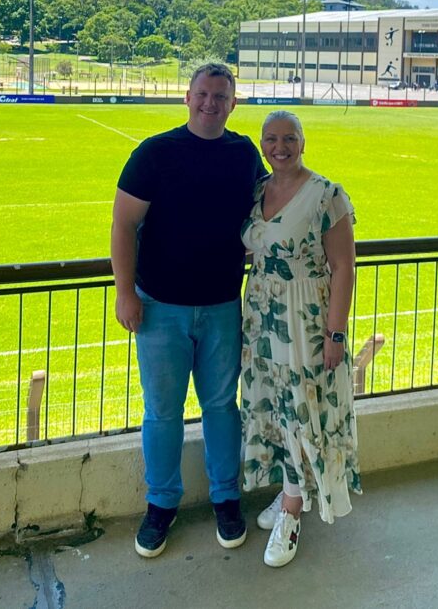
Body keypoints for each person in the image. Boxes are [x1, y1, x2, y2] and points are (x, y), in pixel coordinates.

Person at [111, 63, 265, 559]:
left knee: (222, 407)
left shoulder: (244, 154)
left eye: (220, 96)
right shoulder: (154, 153)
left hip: (222, 305)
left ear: (233, 103)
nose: (210, 103)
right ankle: (160, 505)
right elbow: (122, 225)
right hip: (159, 308)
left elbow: (271, 208)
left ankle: (226, 498)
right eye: (203, 93)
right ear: (187, 97)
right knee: (162, 412)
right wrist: (126, 293)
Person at [240, 110, 362, 568]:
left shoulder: (327, 194)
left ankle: (292, 511)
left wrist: (335, 333)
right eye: (271, 139)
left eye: (289, 138)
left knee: (300, 409)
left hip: (305, 318)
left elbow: (344, 268)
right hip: (261, 316)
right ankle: (293, 488)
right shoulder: (258, 191)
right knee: (274, 404)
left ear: (303, 142)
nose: (280, 147)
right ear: (262, 145)